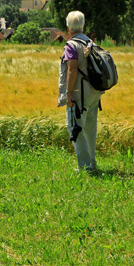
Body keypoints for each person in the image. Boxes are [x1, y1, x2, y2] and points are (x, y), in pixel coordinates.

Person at [58, 10, 102, 172]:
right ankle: (92, 162)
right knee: (90, 128)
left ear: (68, 27)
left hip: (79, 93)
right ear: (83, 25)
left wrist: (68, 94)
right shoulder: (90, 42)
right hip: (94, 92)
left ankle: (85, 166)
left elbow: (72, 70)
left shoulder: (72, 45)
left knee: (74, 127)